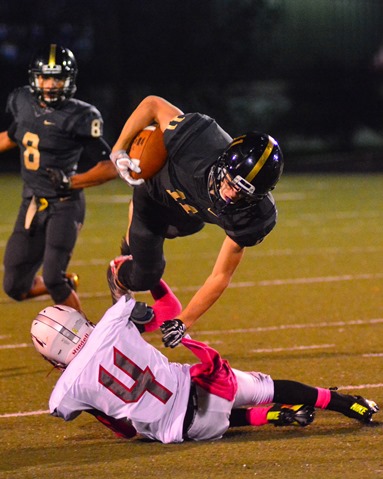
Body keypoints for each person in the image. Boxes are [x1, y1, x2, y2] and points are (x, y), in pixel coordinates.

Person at [31, 284, 379, 444]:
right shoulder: (114, 316)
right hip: (206, 383)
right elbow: (163, 311)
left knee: (199, 420)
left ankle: (270, 416)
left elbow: (124, 431)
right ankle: (347, 404)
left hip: (184, 430)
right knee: (267, 387)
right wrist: (144, 287)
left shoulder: (64, 394)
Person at [107, 95, 284, 348]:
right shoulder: (196, 139)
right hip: (155, 198)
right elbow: (152, 104)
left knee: (187, 226)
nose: (231, 194)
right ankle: (119, 273)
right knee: (147, 274)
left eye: (243, 193)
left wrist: (184, 321)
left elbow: (221, 274)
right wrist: (118, 149)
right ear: (223, 162)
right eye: (231, 183)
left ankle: (133, 245)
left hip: (189, 215)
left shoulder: (254, 216)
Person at [0, 44, 117, 311]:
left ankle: (88, 342)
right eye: (45, 77)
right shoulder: (22, 102)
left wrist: (71, 182)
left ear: (69, 80)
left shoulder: (80, 116)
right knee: (14, 286)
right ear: (34, 78)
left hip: (64, 203)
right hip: (31, 202)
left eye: (57, 78)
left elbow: (109, 167)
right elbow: (10, 137)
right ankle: (67, 283)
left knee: (53, 278)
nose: (51, 84)